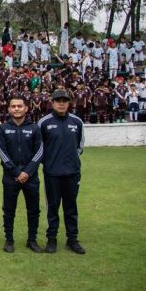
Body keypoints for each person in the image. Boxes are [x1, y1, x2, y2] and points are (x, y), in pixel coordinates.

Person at [37, 89, 86, 254]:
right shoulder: (43, 122)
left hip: (72, 172)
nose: (62, 103)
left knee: (71, 207)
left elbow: (80, 146)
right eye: (58, 100)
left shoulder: (77, 122)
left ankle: (72, 240)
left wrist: (70, 160)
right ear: (52, 102)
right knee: (53, 207)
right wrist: (50, 162)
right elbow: (39, 148)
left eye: (65, 100)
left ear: (69, 102)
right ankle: (52, 239)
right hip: (52, 173)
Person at [0, 96, 44, 253]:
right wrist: (17, 172)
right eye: (13, 106)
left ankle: (32, 240)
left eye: (19, 106)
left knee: (33, 209)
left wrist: (27, 172)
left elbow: (39, 152)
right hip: (11, 177)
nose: (16, 109)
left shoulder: (35, 128)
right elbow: (2, 153)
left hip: (31, 177)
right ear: (9, 109)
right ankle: (9, 240)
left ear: (26, 108)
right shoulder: (3, 128)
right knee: (9, 209)